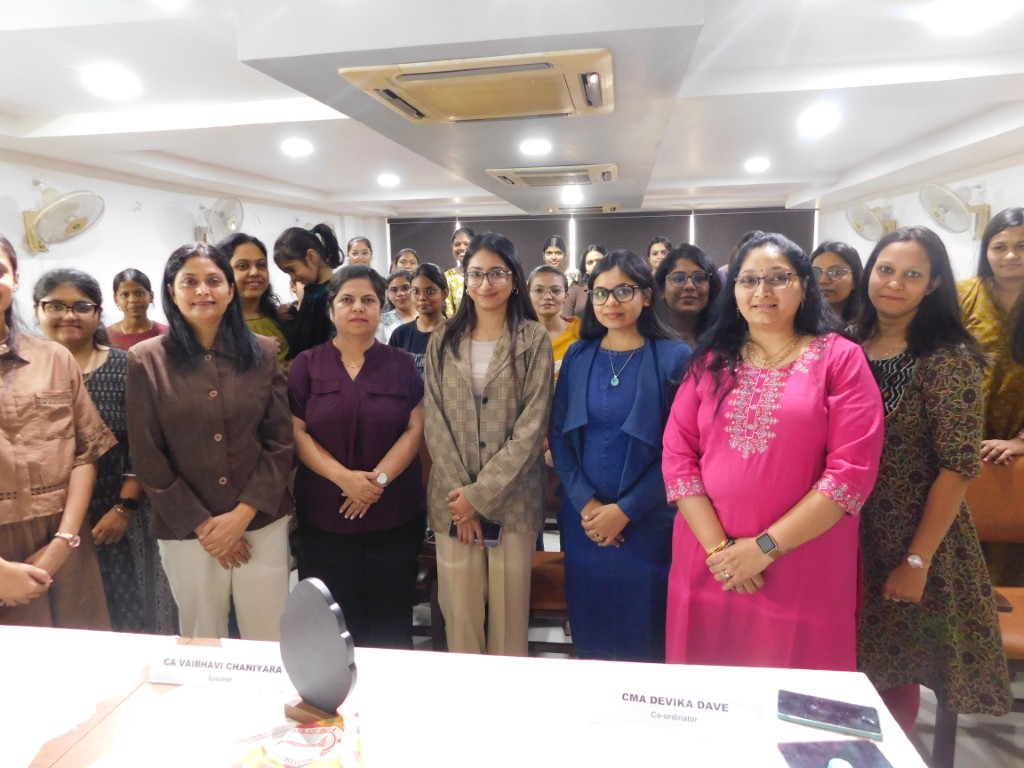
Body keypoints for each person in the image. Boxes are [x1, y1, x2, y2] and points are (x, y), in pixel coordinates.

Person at [662, 231, 884, 671]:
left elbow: (850, 473)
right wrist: (720, 551)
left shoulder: (840, 359)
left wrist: (762, 549)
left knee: (796, 688)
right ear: (734, 292)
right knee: (706, 681)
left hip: (803, 562)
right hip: (709, 560)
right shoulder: (711, 361)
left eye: (778, 278)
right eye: (748, 280)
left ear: (803, 286)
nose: (762, 291)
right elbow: (677, 457)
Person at [854, 226, 1012, 731]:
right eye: (885, 270)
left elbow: (958, 466)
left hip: (911, 532)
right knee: (847, 660)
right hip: (845, 525)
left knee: (895, 666)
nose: (894, 284)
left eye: (912, 274)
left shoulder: (948, 358)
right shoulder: (847, 343)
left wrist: (917, 560)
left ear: (934, 283)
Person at [126, 242, 294, 641]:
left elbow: (280, 442)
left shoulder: (263, 352)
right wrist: (205, 526)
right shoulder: (146, 360)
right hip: (187, 528)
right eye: (190, 282)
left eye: (214, 281)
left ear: (230, 290)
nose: (203, 290)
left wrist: (240, 517)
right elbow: (148, 455)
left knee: (268, 636)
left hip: (259, 520)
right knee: (201, 638)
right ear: (171, 291)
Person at [550, 250, 690, 661]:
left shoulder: (675, 356)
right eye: (601, 293)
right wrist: (587, 504)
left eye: (623, 291)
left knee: (644, 636)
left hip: (648, 522)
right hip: (585, 522)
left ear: (646, 295)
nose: (611, 302)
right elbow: (558, 435)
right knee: (590, 633)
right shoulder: (579, 355)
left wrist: (626, 510)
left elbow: (682, 450)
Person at [424, 232, 554, 656]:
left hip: (513, 502)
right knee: (460, 613)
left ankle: (508, 693)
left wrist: (478, 497)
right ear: (465, 281)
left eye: (497, 273)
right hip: (452, 500)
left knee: (509, 616)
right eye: (476, 274)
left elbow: (532, 427)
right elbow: (434, 421)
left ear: (514, 279)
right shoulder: (442, 339)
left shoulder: (534, 339)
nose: (486, 283)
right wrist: (462, 500)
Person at [33, 268, 177, 634]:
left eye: (81, 306)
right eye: (56, 305)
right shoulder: (26, 372)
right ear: (37, 310)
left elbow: (148, 440)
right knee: (64, 614)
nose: (69, 315)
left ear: (98, 312)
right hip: (48, 518)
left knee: (135, 612)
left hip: (122, 513)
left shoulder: (126, 365)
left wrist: (124, 507)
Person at [289, 265, 425, 649]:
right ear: (331, 309)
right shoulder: (306, 365)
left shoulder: (401, 363)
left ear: (381, 308)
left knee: (391, 620)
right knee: (332, 621)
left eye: (368, 300)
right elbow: (297, 431)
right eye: (347, 300)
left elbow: (415, 429)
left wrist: (376, 482)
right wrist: (344, 479)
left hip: (393, 514)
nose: (358, 308)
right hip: (325, 516)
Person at [0, 236, 116, 628]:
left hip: (62, 538)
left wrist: (63, 542)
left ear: (16, 279)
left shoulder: (53, 358)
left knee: (77, 655)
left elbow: (84, 455)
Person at [221, 233, 292, 369]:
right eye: (243, 266)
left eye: (261, 265)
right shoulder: (216, 326)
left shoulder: (279, 318)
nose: (254, 272)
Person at [274, 224, 342, 358]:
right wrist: (290, 314)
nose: (293, 278)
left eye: (292, 269)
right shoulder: (312, 290)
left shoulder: (334, 292)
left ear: (311, 257)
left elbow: (332, 337)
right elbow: (309, 325)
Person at [654, 244, 722, 347]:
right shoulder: (647, 340)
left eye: (699, 278)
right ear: (661, 289)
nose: (689, 286)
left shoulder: (723, 337)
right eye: (678, 279)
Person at [389, 262, 449, 377]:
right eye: (415, 291)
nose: (422, 297)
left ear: (444, 293)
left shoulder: (455, 333)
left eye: (430, 291)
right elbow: (392, 377)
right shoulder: (400, 335)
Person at [527, 265, 579, 379]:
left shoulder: (580, 334)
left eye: (555, 290)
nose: (547, 297)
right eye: (539, 290)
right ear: (528, 296)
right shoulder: (519, 337)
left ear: (566, 296)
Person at [106, 269, 169, 350]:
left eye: (139, 293)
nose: (132, 300)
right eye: (125, 295)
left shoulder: (167, 334)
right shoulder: (105, 337)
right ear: (116, 299)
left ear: (151, 296)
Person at [811, 241, 863, 323]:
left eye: (836, 272)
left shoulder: (867, 325)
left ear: (855, 280)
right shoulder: (798, 323)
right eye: (816, 273)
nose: (823, 280)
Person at [562, 244, 606, 319]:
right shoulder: (576, 289)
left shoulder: (617, 287)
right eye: (590, 262)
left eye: (599, 261)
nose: (595, 265)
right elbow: (565, 319)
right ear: (585, 270)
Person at [377, 269, 416, 343]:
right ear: (388, 294)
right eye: (394, 290)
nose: (400, 294)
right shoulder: (382, 321)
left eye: (405, 288)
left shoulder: (426, 316)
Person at [444, 226, 475, 316]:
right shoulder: (448, 277)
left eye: (466, 244)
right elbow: (449, 314)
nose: (462, 247)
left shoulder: (485, 274)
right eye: (457, 244)